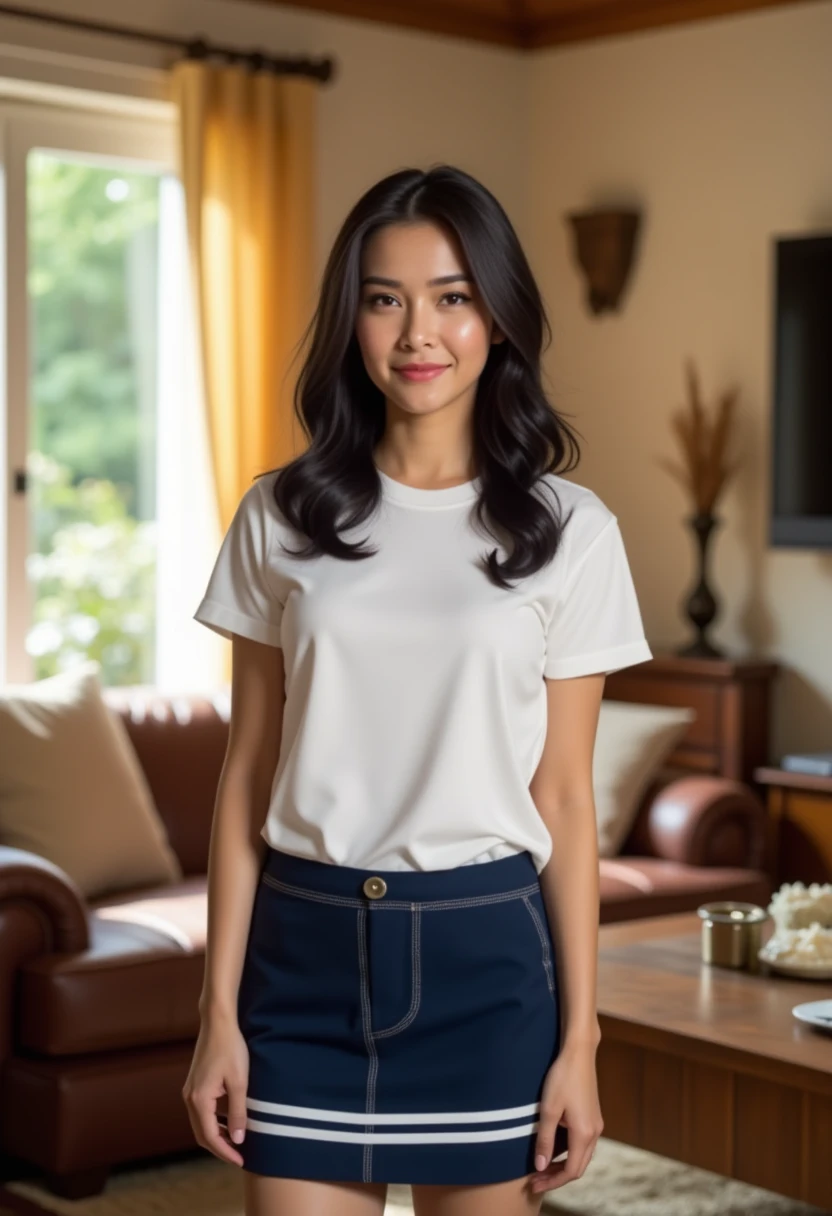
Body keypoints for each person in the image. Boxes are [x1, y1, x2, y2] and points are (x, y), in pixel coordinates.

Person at [182, 163, 653, 1216]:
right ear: (351, 319)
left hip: (485, 968)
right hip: (299, 967)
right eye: (384, 299)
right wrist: (217, 1013)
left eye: (451, 297)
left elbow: (566, 802)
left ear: (498, 315)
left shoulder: (573, 533)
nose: (416, 335)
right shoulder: (279, 515)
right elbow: (245, 775)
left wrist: (580, 1042)